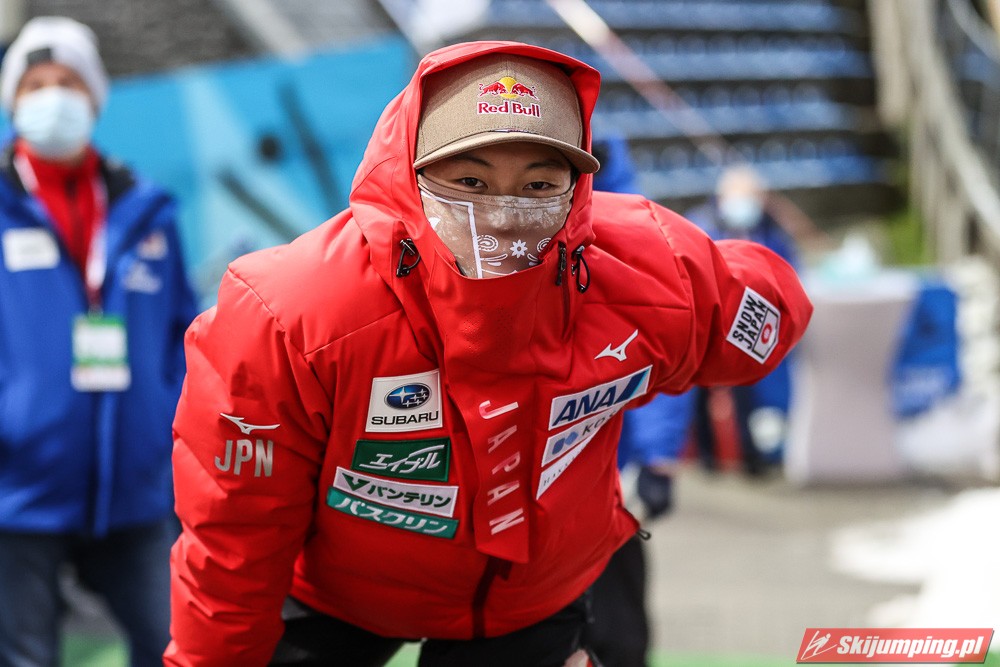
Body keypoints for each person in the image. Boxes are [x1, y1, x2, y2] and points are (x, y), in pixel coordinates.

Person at [167, 41, 812, 666]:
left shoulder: (643, 270)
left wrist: (675, 272)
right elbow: (236, 538)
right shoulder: (291, 314)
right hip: (336, 597)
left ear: (578, 190)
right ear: (408, 175)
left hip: (528, 602)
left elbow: (769, 312)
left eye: (538, 184)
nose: (503, 216)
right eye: (471, 181)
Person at [0, 16, 197, 667]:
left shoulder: (147, 209)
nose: (52, 97)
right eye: (35, 84)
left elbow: (184, 334)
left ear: (94, 96)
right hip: (15, 494)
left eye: (68, 82)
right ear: (12, 100)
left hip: (135, 488)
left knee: (176, 643)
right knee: (25, 655)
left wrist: (165, 428)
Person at [584, 135, 696, 667]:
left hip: (610, 473)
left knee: (618, 630)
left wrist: (658, 457)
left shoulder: (639, 237)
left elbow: (659, 358)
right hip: (529, 472)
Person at [685, 165, 801, 475]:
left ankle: (752, 456)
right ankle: (708, 457)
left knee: (747, 390)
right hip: (706, 322)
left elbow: (789, 273)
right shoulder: (699, 225)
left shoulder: (772, 229)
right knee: (699, 391)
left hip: (749, 324)